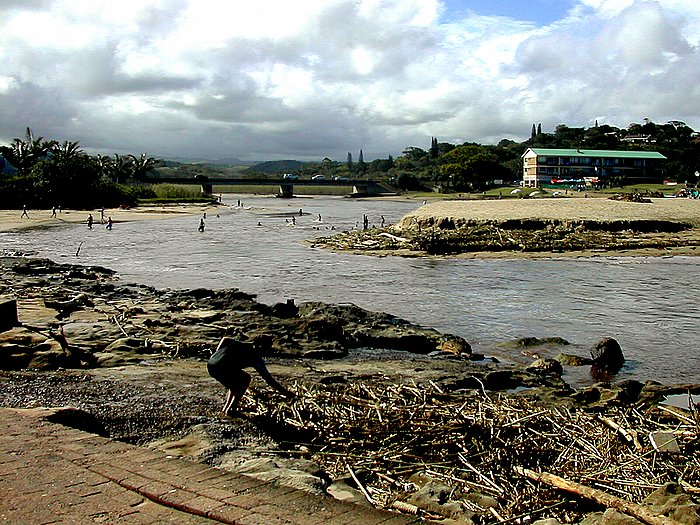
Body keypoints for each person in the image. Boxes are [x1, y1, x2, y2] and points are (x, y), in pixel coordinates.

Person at [207, 336, 294, 416]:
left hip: (211, 364)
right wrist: (285, 393)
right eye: (267, 348)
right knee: (245, 379)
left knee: (235, 384)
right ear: (260, 346)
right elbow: (269, 380)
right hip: (222, 367)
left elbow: (225, 339)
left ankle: (226, 408)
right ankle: (231, 409)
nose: (268, 351)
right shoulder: (255, 357)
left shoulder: (244, 345)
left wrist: (216, 355)